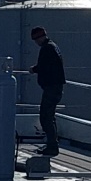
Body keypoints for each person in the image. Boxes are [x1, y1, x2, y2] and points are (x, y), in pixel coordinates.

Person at [28, 26, 65, 155]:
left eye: (36, 39)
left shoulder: (47, 48)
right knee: (49, 117)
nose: (36, 42)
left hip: (52, 88)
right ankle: (52, 144)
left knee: (45, 117)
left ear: (40, 37)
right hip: (55, 87)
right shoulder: (53, 46)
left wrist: (34, 69)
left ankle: (52, 146)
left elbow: (44, 66)